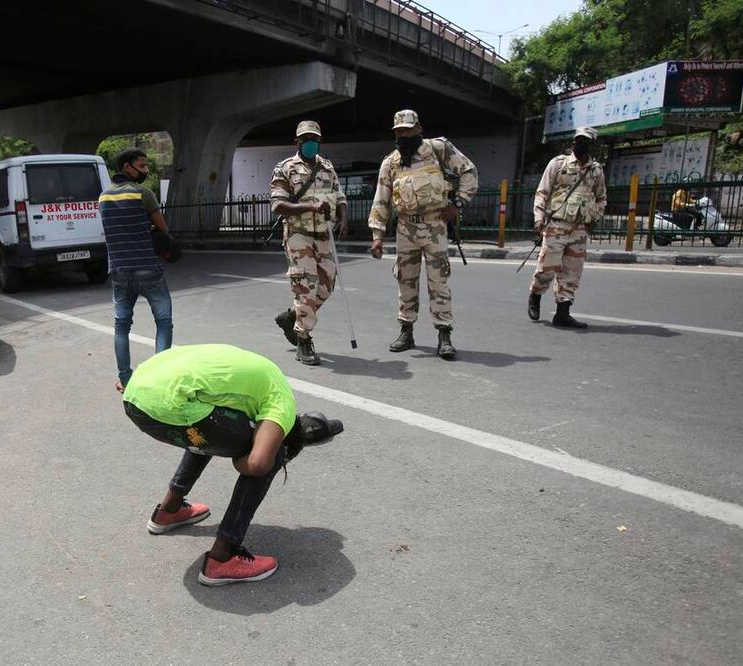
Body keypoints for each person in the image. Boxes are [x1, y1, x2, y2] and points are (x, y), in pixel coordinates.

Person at [122, 344, 344, 586]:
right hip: (170, 404)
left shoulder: (262, 376)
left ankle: (169, 510)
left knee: (214, 428)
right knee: (268, 454)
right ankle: (223, 557)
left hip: (137, 393)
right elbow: (258, 464)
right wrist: (242, 459)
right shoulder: (281, 404)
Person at [367, 109, 478, 360]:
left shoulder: (438, 149)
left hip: (435, 225)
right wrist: (377, 235)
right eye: (398, 131)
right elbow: (381, 200)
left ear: (419, 128)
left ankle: (444, 334)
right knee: (405, 280)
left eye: (407, 129)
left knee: (438, 281)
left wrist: (457, 204)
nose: (403, 135)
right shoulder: (391, 163)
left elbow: (469, 172)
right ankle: (406, 331)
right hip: (405, 228)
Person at [269, 120, 348, 366]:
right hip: (298, 234)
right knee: (306, 286)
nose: (310, 143)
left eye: (313, 139)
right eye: (305, 139)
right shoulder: (286, 168)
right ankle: (303, 340)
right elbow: (278, 205)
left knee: (326, 284)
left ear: (320, 141)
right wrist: (311, 206)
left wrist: (343, 217)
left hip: (324, 234)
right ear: (297, 142)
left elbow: (339, 194)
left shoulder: (327, 167)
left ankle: (292, 315)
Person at [99, 148, 176, 392]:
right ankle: (160, 376)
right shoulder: (142, 193)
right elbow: (163, 229)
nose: (146, 170)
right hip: (148, 270)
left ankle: (125, 379)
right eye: (141, 166)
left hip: (120, 271)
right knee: (163, 322)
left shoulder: (103, 197)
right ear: (126, 167)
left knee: (121, 326)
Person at [527, 127, 607, 328]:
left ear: (591, 145)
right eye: (578, 141)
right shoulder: (558, 164)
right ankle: (535, 295)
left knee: (572, 272)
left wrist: (594, 217)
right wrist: (538, 219)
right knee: (547, 267)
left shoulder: (596, 170)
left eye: (585, 142)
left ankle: (563, 312)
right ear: (573, 143)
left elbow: (601, 198)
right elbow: (542, 192)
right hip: (557, 225)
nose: (579, 145)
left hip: (579, 229)